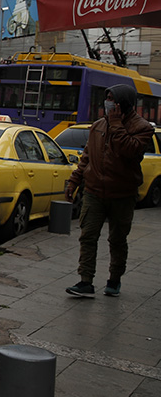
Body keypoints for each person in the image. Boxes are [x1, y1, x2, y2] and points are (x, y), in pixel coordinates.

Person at [64, 84, 154, 298]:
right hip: (94, 191)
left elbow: (129, 150)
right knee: (88, 236)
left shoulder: (142, 127)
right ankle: (85, 281)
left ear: (124, 103)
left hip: (122, 194)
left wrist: (115, 124)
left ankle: (114, 280)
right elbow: (87, 158)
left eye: (113, 99)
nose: (108, 103)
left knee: (117, 240)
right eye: (108, 99)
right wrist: (74, 181)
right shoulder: (98, 126)